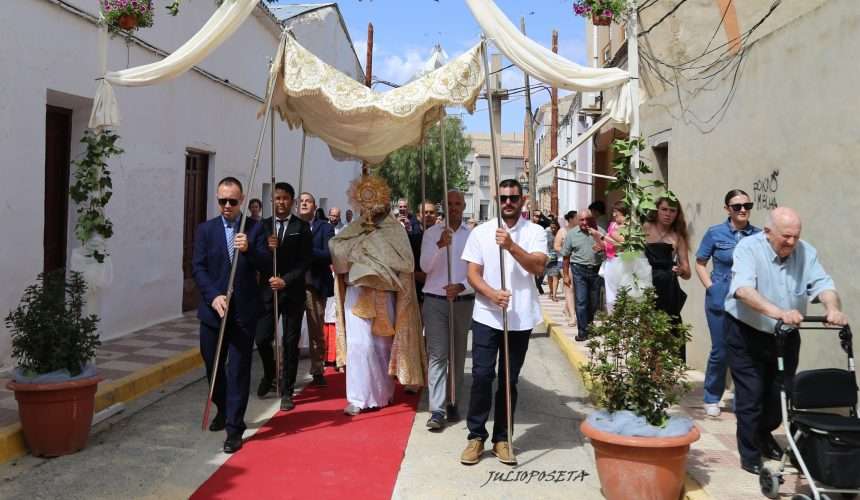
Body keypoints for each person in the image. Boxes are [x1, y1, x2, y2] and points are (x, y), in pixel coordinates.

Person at [725, 207, 847, 475]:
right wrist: (779, 312)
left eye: (796, 236)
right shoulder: (748, 248)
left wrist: (832, 308)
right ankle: (750, 453)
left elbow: (823, 284)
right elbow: (743, 290)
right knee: (751, 394)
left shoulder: (806, 252)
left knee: (781, 393)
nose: (792, 242)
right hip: (746, 330)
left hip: (786, 335)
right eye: (786, 236)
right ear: (768, 232)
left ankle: (764, 433)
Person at [460, 179, 547, 466]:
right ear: (497, 199)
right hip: (487, 315)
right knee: (483, 376)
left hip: (520, 317)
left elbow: (537, 266)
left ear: (523, 200)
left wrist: (510, 246)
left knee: (508, 380)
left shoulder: (535, 232)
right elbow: (472, 273)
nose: (508, 203)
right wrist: (491, 294)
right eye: (504, 198)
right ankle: (475, 436)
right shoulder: (481, 232)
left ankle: (502, 438)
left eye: (514, 198)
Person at [330, 176, 426, 416]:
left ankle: (383, 394)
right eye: (367, 201)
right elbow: (336, 249)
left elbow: (406, 262)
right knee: (358, 345)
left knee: (381, 346)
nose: (373, 207)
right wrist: (359, 252)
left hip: (385, 294)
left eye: (377, 201)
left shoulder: (395, 230)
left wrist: (374, 257)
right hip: (357, 294)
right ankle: (357, 397)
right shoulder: (352, 230)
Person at [192, 177, 269, 453]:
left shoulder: (255, 229)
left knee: (238, 370)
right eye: (222, 201)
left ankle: (234, 427)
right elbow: (198, 267)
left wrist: (249, 249)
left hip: (243, 313)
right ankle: (224, 407)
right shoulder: (205, 230)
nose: (227, 206)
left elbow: (267, 263)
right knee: (213, 367)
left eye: (232, 202)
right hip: (214, 312)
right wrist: (213, 296)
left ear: (242, 201)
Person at [694, 190, 760, 418]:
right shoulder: (715, 233)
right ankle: (712, 396)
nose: (743, 209)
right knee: (720, 350)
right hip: (720, 297)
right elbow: (700, 263)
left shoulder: (759, 236)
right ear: (727, 209)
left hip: (748, 300)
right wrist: (711, 287)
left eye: (746, 205)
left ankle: (743, 398)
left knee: (746, 351)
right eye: (737, 206)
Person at [255, 183, 312, 411]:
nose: (281, 202)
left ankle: (287, 389)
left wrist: (286, 280)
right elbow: (256, 258)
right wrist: (267, 250)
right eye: (277, 198)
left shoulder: (301, 226)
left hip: (292, 292)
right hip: (268, 292)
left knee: (289, 342)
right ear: (273, 200)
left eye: (285, 198)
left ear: (292, 201)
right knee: (261, 338)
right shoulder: (264, 226)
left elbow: (305, 261)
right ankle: (270, 375)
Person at [420, 190, 473, 430]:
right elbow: (424, 266)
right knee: (438, 355)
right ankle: (437, 409)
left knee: (458, 354)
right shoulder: (431, 234)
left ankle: (453, 400)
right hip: (435, 300)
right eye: (449, 204)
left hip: (462, 302)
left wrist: (463, 286)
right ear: (444, 207)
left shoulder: (473, 236)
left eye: (457, 204)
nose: (453, 208)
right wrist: (440, 245)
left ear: (463, 206)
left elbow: (479, 272)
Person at [644, 196, 692, 360]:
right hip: (645, 287)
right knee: (646, 334)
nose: (668, 214)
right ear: (656, 210)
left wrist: (680, 270)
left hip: (668, 288)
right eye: (664, 209)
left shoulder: (678, 237)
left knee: (670, 333)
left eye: (672, 211)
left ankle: (665, 377)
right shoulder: (644, 228)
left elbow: (687, 272)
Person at [298, 192, 334, 387]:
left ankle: (317, 368)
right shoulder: (292, 226)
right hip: (293, 284)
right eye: (301, 201)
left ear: (314, 206)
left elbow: (328, 254)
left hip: (315, 284)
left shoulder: (325, 227)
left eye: (307, 201)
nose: (304, 204)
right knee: (289, 330)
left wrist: (306, 250)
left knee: (315, 329)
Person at [561, 209, 604, 341]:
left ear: (592, 219)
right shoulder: (572, 234)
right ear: (578, 220)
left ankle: (589, 326)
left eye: (588, 219)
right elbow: (566, 257)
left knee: (594, 302)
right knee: (581, 301)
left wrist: (602, 246)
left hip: (596, 271)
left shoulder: (599, 232)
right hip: (579, 270)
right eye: (582, 220)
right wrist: (566, 275)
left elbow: (610, 249)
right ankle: (582, 332)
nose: (585, 222)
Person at [555, 210, 577, 326]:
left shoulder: (579, 231)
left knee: (572, 289)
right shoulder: (562, 231)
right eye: (576, 218)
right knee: (569, 288)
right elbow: (556, 246)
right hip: (564, 262)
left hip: (576, 263)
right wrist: (566, 251)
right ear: (571, 219)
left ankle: (567, 308)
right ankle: (572, 316)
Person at [545, 220, 563, 301]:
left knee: (555, 276)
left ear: (557, 227)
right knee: (549, 277)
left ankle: (554, 295)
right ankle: (551, 291)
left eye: (554, 227)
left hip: (558, 257)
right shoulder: (547, 234)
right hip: (549, 258)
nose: (553, 229)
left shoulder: (560, 234)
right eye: (551, 227)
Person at [531, 210, 547, 295]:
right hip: (531, 251)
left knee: (542, 271)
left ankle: (538, 285)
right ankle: (538, 286)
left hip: (542, 250)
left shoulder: (542, 225)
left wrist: (542, 215)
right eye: (535, 216)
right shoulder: (528, 225)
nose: (536, 218)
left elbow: (550, 222)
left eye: (538, 217)